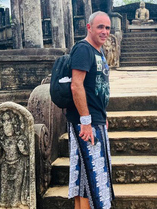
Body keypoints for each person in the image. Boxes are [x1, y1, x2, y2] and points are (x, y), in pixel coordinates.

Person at [66, 11, 114, 209]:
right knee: (95, 178)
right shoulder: (84, 49)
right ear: (89, 27)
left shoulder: (98, 52)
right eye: (100, 27)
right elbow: (76, 85)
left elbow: (96, 87)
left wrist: (102, 115)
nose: (104, 32)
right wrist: (86, 121)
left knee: (84, 180)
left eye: (107, 28)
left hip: (95, 119)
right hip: (86, 123)